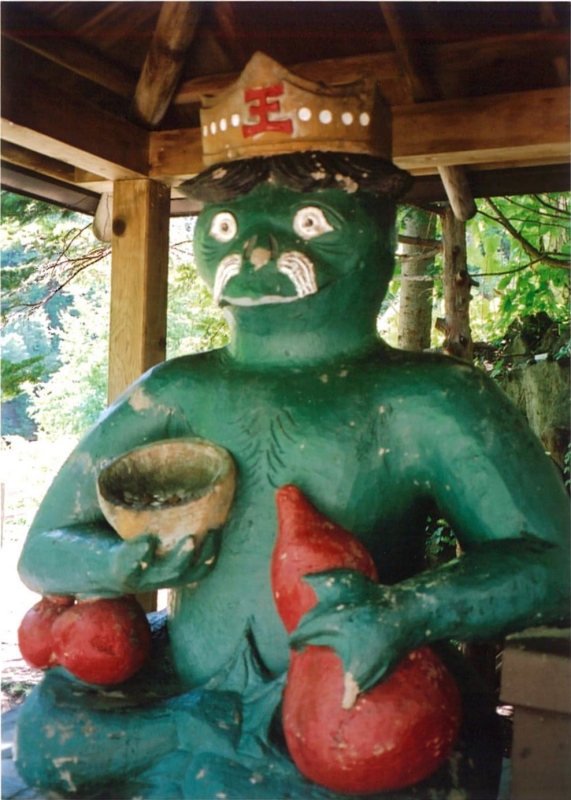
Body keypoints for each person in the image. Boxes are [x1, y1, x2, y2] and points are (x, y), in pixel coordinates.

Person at [15, 54, 570, 800]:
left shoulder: (429, 398)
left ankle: (212, 744)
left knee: (362, 765)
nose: (256, 248)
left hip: (355, 690)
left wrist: (404, 612)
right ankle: (192, 731)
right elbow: (42, 552)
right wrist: (120, 568)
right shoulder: (178, 388)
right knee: (52, 739)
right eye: (225, 225)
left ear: (380, 234)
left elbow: (551, 563)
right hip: (187, 682)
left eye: (311, 221)